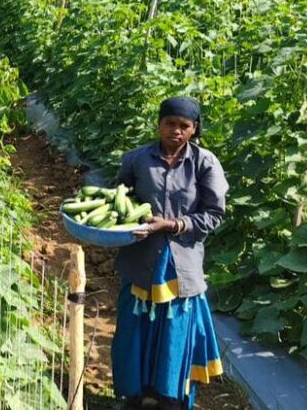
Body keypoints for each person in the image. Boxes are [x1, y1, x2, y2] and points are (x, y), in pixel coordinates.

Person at [111, 97, 228, 409]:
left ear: (194, 129)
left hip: (181, 264)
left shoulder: (205, 163)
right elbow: (120, 200)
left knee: (175, 334)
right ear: (159, 124)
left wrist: (174, 224)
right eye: (170, 123)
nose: (176, 130)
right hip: (140, 259)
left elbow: (214, 214)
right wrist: (128, 220)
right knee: (134, 331)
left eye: (184, 126)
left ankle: (170, 397)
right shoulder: (136, 160)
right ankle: (132, 394)